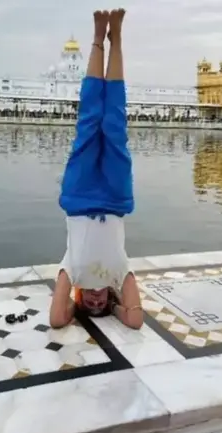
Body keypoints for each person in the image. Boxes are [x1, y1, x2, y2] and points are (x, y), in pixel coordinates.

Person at [49, 9, 143, 330]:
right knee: (114, 123)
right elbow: (135, 319)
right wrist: (116, 307)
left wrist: (73, 308)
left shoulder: (70, 270)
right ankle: (115, 39)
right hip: (115, 199)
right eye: (100, 304)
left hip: (79, 195)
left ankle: (96, 39)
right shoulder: (119, 273)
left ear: (78, 297)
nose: (96, 301)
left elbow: (57, 319)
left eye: (90, 305)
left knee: (89, 122)